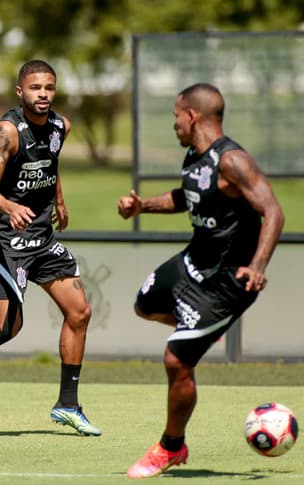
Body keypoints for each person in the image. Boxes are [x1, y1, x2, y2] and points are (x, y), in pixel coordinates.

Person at [118, 83, 284, 478]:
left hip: (227, 281)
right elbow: (186, 196)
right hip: (193, 261)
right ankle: (202, 332)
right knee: (144, 304)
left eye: (176, 115)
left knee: (176, 360)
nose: (173, 123)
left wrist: (258, 265)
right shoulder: (195, 155)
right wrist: (144, 205)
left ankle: (170, 447)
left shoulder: (233, 161)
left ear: (192, 116)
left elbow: (274, 211)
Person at [0, 59, 102, 437]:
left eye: (49, 88)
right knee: (9, 327)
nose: (43, 95)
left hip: (41, 235)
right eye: (35, 88)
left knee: (80, 312)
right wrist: (10, 206)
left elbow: (51, 162)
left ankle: (68, 404)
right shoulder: (7, 132)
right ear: (20, 92)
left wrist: (59, 200)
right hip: (3, 237)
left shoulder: (61, 126)